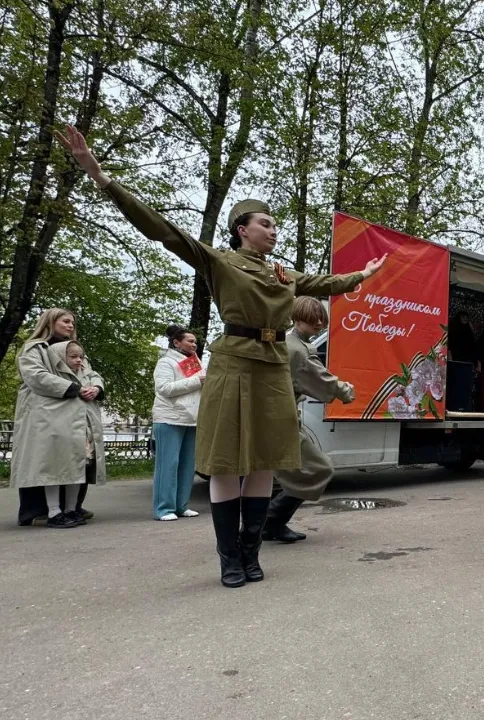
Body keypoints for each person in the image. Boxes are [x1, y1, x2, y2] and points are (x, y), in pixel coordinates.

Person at [58, 124, 386, 587]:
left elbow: (324, 283)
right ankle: (229, 558)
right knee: (230, 461)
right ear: (242, 229)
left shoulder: (282, 273)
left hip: (272, 366)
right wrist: (100, 177)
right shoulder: (220, 260)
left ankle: (252, 554)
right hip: (234, 361)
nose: (273, 230)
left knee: (264, 461)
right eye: (266, 224)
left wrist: (362, 275)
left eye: (274, 225)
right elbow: (163, 230)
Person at [264, 297, 356, 542]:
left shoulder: (285, 340)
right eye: (312, 318)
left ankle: (266, 524)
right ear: (297, 317)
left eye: (321, 319)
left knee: (265, 475)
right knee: (318, 468)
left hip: (270, 417)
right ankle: (269, 522)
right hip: (281, 420)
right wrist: (347, 390)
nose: (318, 323)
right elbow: (321, 379)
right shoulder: (298, 349)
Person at [11, 332, 106, 528]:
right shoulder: (38, 350)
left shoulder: (80, 364)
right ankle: (51, 511)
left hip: (78, 427)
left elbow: (93, 375)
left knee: (77, 468)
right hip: (53, 423)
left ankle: (72, 508)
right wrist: (75, 388)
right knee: (51, 467)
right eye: (65, 321)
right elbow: (38, 378)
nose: (79, 360)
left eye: (81, 356)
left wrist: (96, 388)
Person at [151, 324, 204, 521]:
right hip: (169, 418)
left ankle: (181, 506)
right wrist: (198, 381)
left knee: (187, 465)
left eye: (195, 342)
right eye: (190, 341)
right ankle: (164, 509)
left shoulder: (193, 362)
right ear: (176, 342)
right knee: (169, 465)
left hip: (191, 419)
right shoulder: (166, 362)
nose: (194, 344)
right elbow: (164, 389)